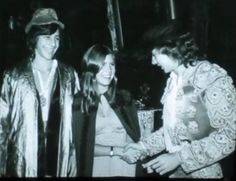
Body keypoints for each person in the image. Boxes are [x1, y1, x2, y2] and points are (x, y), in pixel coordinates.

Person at [122, 21, 236, 178]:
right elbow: (174, 130)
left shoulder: (210, 77)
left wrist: (179, 158)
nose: (153, 62)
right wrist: (143, 147)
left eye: (155, 56)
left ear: (170, 49)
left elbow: (230, 134)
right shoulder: (174, 80)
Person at [0, 8, 80, 177]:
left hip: (59, 158)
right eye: (47, 37)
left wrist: (74, 155)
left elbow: (77, 121)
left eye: (56, 37)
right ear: (34, 38)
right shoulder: (14, 76)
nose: (53, 43)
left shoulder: (69, 75)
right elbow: (2, 125)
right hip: (23, 160)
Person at [72, 44, 143, 177]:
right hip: (97, 168)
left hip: (126, 166)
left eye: (111, 64)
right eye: (103, 65)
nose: (108, 70)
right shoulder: (79, 102)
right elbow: (81, 146)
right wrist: (115, 151)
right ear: (91, 67)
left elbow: (133, 135)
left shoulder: (125, 98)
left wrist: (131, 150)